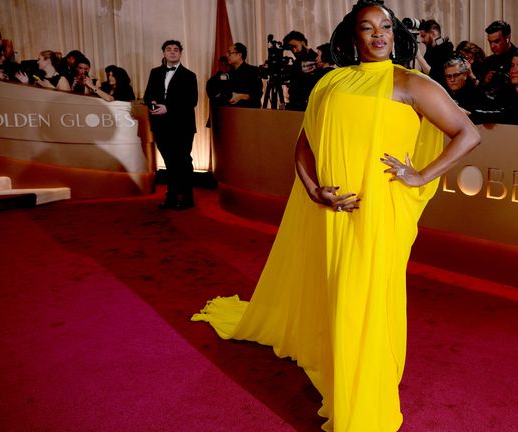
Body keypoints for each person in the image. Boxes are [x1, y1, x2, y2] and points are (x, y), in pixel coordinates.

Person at [191, 1, 480, 430]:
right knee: (337, 293)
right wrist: (313, 190)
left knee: (366, 300)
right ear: (351, 36)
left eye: (386, 26)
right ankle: (344, 375)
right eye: (368, 27)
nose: (379, 34)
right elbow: (305, 144)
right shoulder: (331, 82)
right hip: (334, 212)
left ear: (395, 34)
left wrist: (420, 176)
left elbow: (467, 133)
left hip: (382, 213)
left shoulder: (411, 83)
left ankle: (363, 399)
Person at [143, 40, 198, 210]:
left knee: (183, 160)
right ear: (164, 53)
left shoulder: (190, 75)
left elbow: (192, 101)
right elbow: (148, 95)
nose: (172, 52)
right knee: (169, 162)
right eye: (169, 49)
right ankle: (172, 196)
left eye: (176, 50)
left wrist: (168, 108)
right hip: (161, 126)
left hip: (182, 126)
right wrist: (152, 103)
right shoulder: (155, 72)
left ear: (180, 53)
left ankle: (187, 196)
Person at [283, 31, 319, 111]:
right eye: (291, 48)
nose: (294, 51)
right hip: (295, 106)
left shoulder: (316, 59)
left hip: (311, 106)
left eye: (295, 46)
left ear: (303, 42)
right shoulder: (296, 63)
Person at [482, 20, 518, 95]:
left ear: (507, 38)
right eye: (490, 42)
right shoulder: (488, 62)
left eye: (496, 41)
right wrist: (485, 82)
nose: (492, 46)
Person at [414, 19, 453, 85]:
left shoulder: (445, 49)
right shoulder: (431, 49)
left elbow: (435, 77)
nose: (422, 40)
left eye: (423, 36)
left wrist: (419, 56)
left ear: (433, 32)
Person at [225, 42, 262, 108]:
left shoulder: (253, 70)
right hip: (232, 111)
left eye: (230, 53)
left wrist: (241, 96)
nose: (227, 55)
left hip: (249, 111)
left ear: (239, 55)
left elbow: (257, 94)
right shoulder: (229, 73)